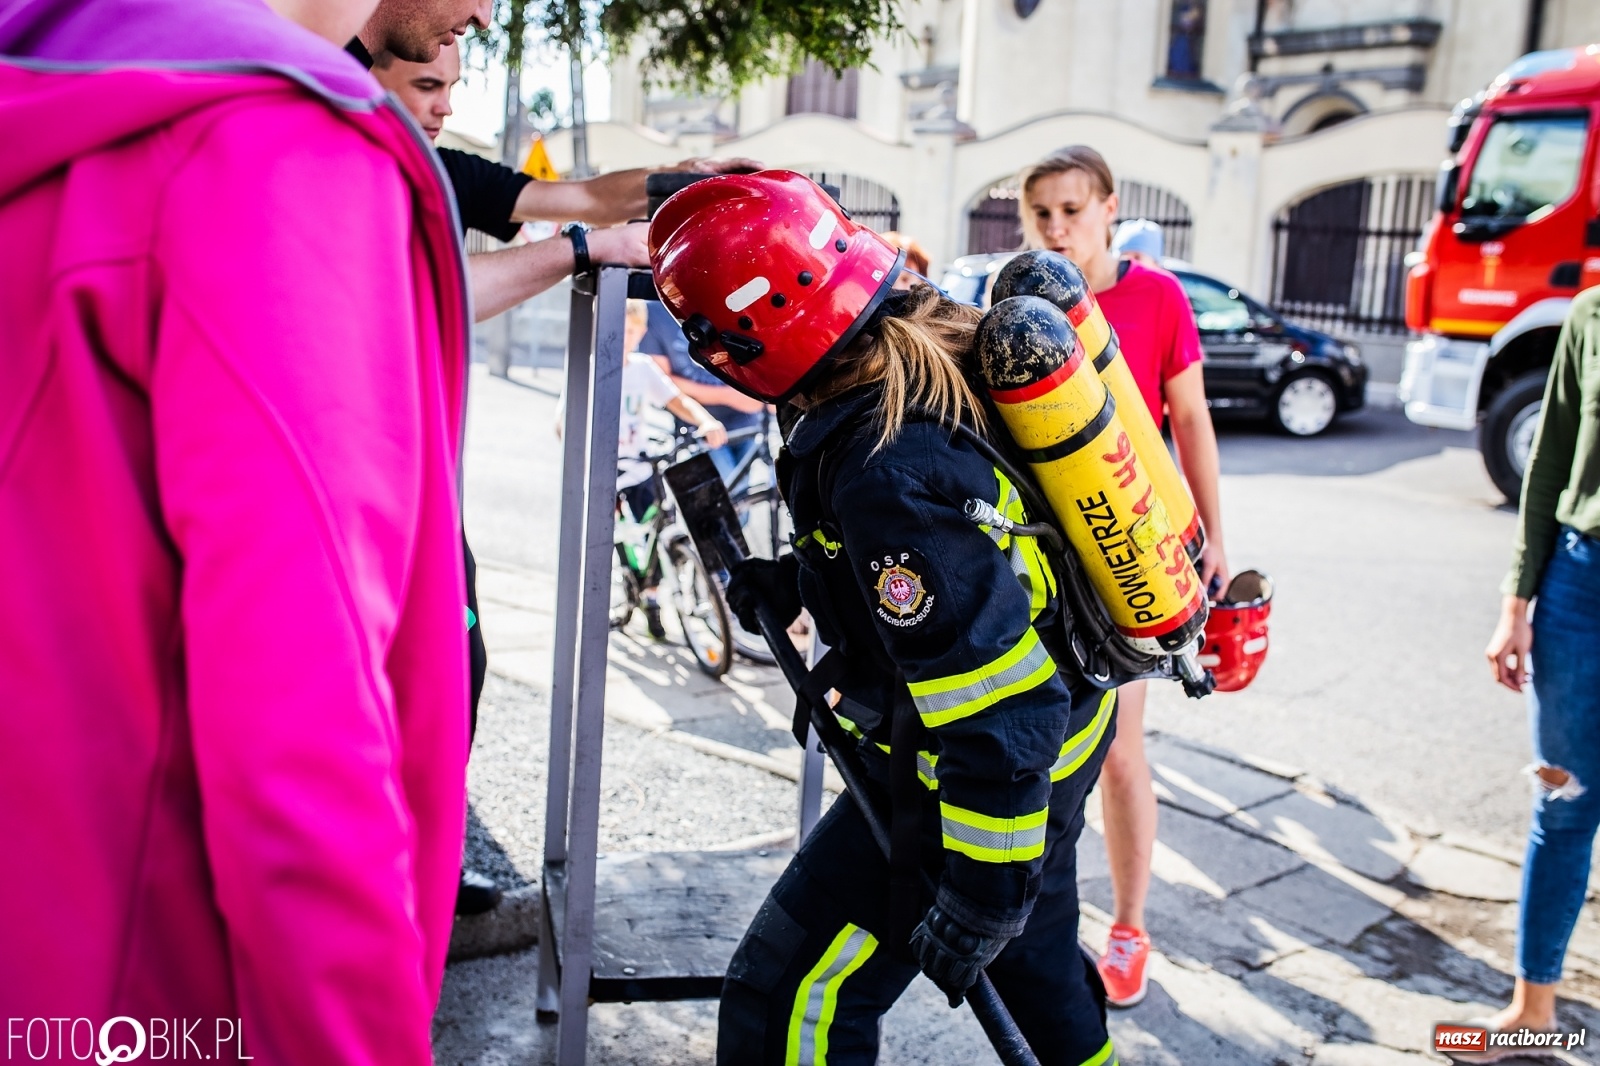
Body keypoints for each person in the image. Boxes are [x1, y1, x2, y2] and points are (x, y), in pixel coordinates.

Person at [0, 0, 471, 1060]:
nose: (484, 11)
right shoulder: (271, 143)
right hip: (142, 1005)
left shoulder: (49, 90)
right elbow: (302, 730)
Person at [652, 171, 1118, 1065]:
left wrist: (983, 884)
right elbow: (967, 559)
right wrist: (803, 582)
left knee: (792, 997)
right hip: (1060, 740)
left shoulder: (881, 460)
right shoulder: (910, 351)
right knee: (1037, 974)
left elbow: (999, 698)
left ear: (746, 338)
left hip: (977, 773)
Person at [1020, 145, 1228, 1008]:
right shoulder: (1018, 301)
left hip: (1131, 552)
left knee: (1116, 753)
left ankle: (1130, 926)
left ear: (1110, 209)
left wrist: (1213, 535)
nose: (1056, 227)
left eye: (1072, 210)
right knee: (1035, 747)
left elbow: (1191, 418)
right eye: (1041, 213)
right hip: (1040, 552)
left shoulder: (1158, 297)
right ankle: (1033, 923)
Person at [1476, 288, 1600, 1061]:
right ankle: (1533, 1011)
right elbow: (1550, 459)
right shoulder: (1589, 315)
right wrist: (1516, 602)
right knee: (1564, 800)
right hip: (1581, 585)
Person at [639, 301, 767, 481]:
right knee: (724, 489)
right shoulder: (654, 310)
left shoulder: (726, 299)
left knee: (748, 491)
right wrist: (729, 396)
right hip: (698, 427)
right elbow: (660, 380)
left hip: (749, 421)